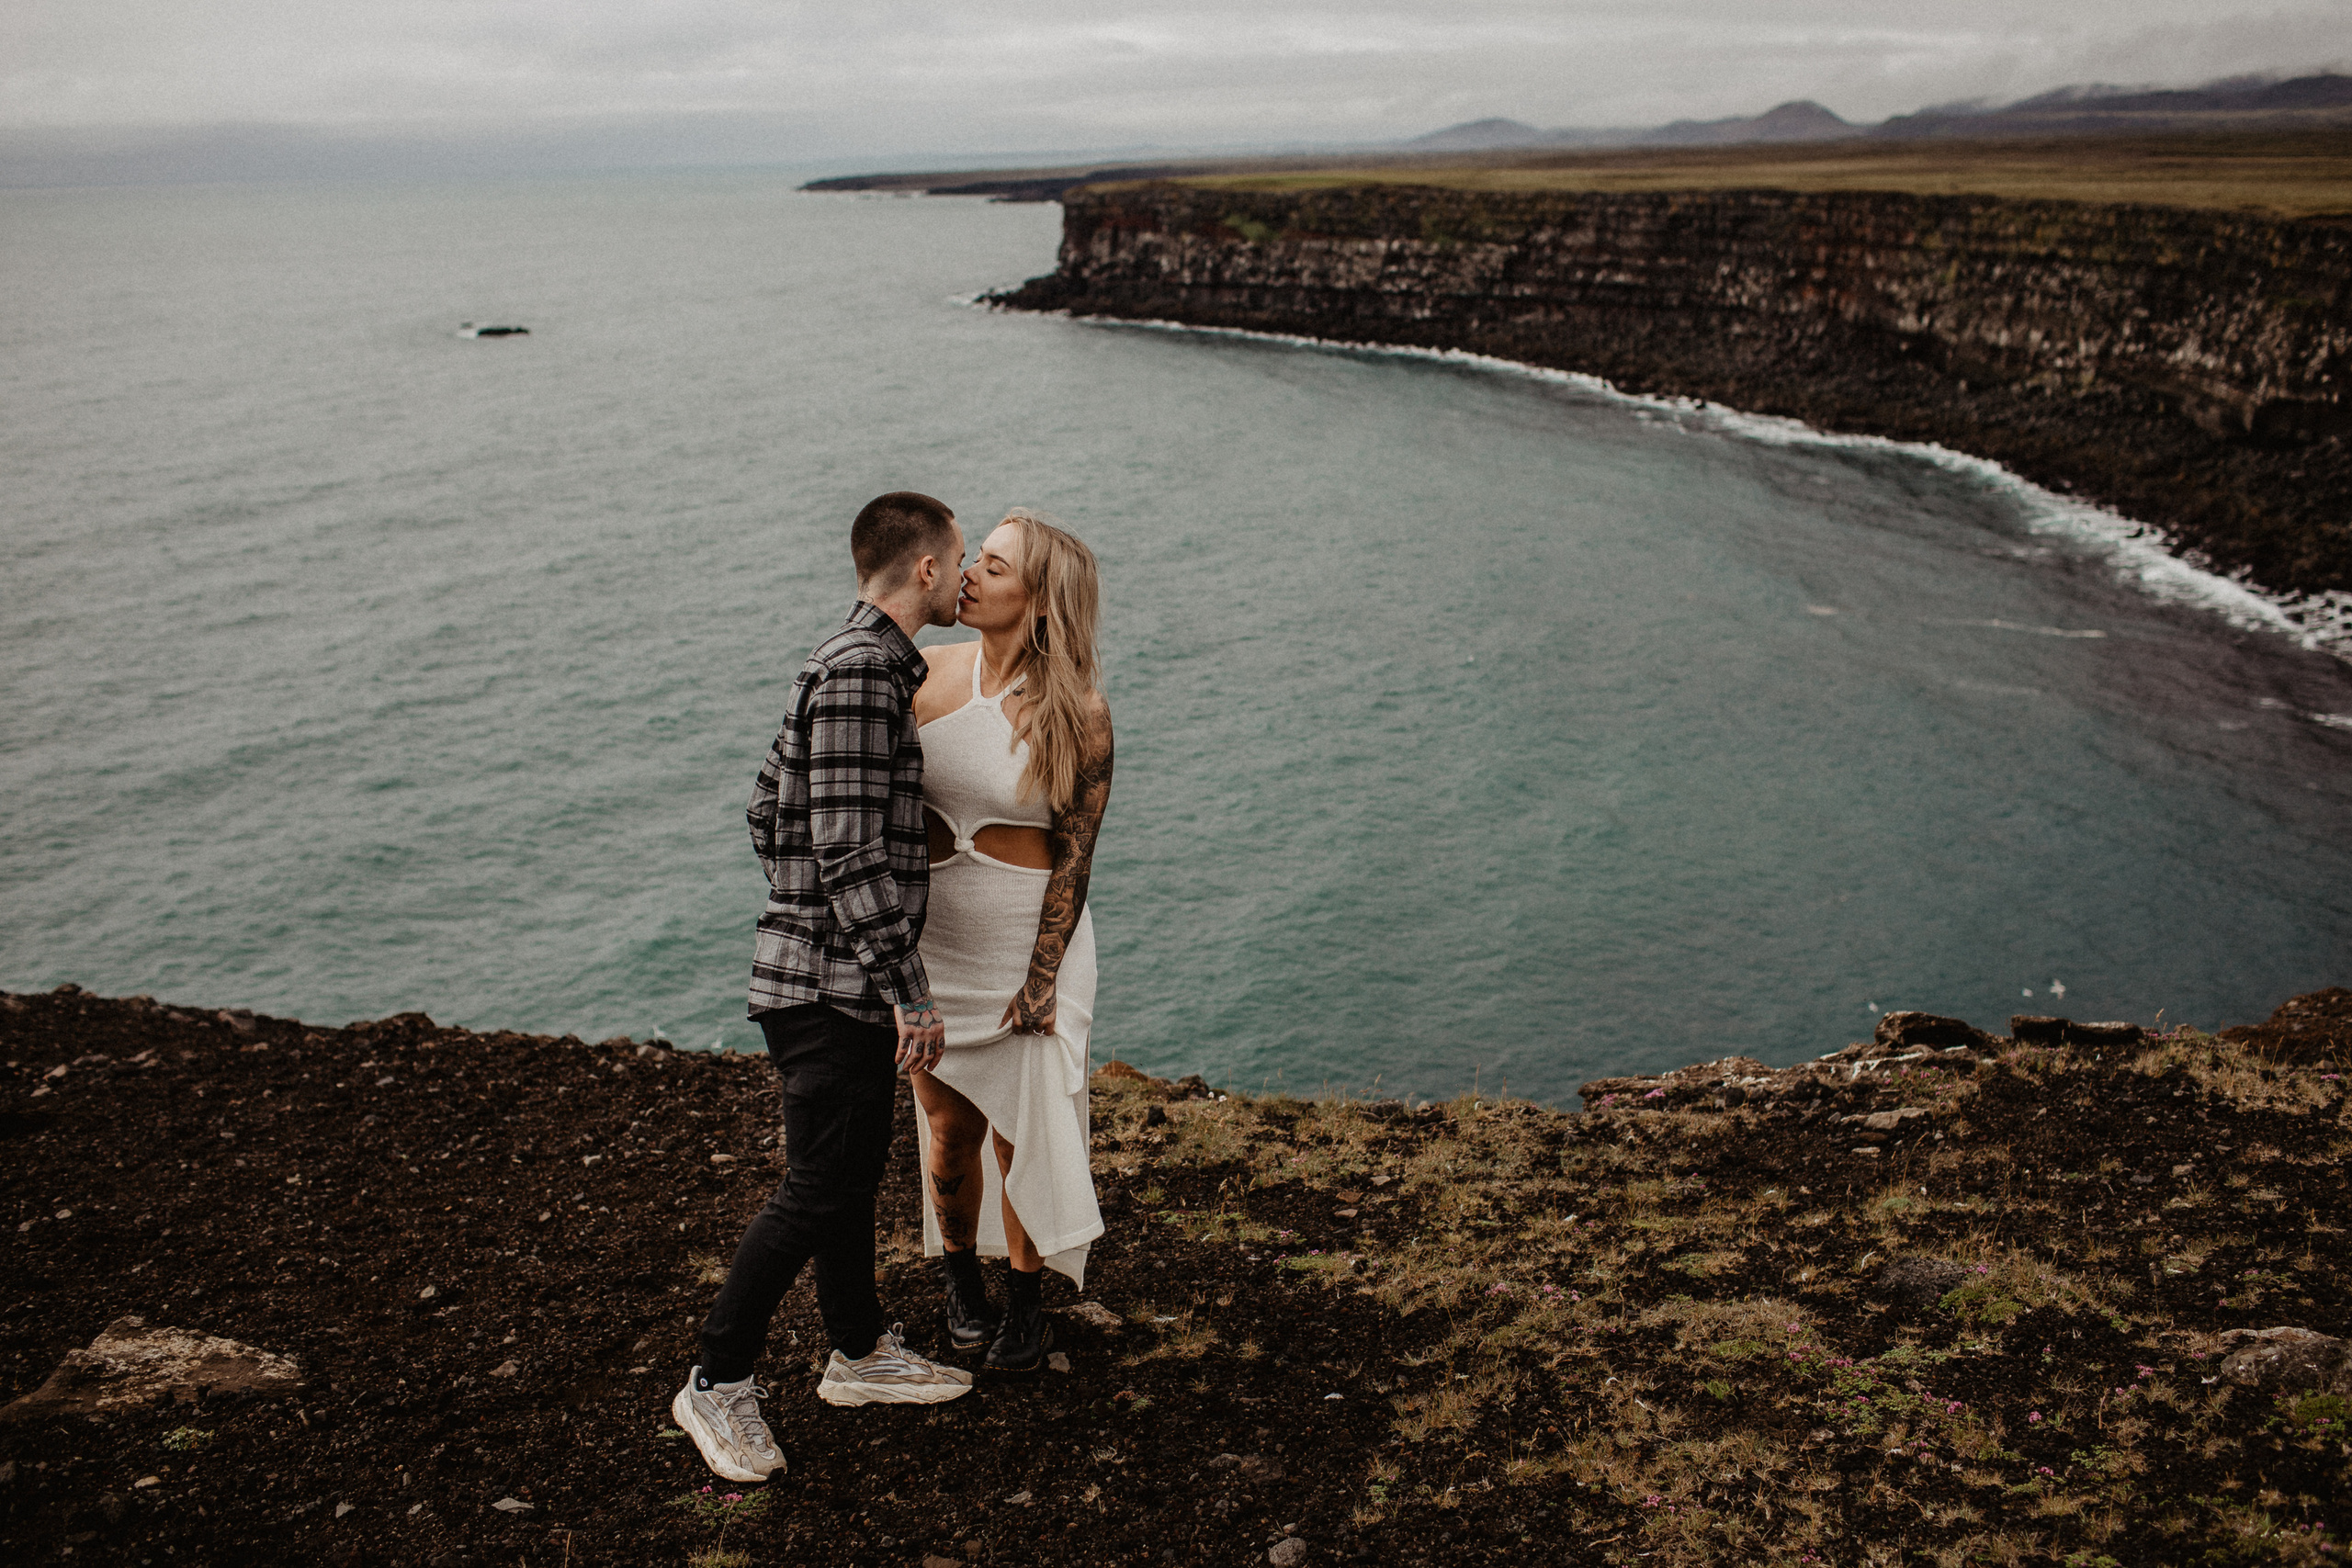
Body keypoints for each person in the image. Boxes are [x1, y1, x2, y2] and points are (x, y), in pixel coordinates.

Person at [673, 491, 975, 1486]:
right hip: (831, 986)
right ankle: (716, 1379)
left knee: (844, 1176)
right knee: (815, 1190)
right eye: (959, 559)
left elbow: (768, 809)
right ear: (924, 568)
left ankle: (857, 1350)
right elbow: (847, 852)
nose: (966, 575)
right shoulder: (860, 675)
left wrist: (802, 909)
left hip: (826, 976)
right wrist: (906, 989)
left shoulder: (847, 661)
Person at [908, 509, 1114, 1374]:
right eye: (978, 558)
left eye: (994, 567)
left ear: (1039, 602)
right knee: (947, 1127)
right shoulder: (921, 673)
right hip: (936, 944)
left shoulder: (1080, 713)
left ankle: (1026, 1309)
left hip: (1027, 945)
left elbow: (1076, 857)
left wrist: (1042, 978)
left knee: (1021, 1132)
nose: (969, 574)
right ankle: (962, 1289)